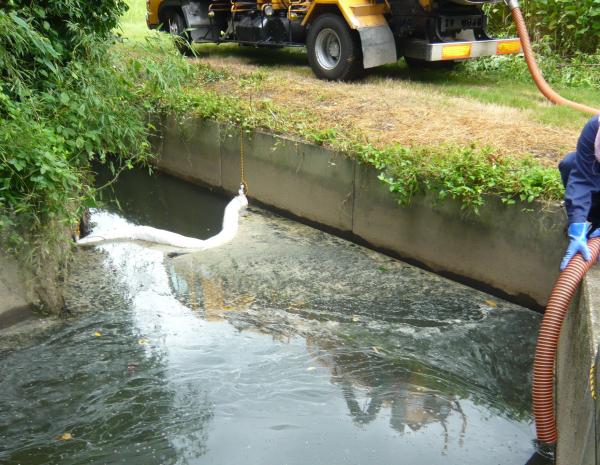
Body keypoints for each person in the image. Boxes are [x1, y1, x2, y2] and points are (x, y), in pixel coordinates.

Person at [558, 115, 600, 271]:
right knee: (570, 163)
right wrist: (577, 221)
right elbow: (582, 178)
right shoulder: (594, 127)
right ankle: (589, 220)